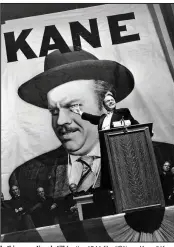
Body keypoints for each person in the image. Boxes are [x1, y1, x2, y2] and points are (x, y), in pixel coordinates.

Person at [9, 48, 136, 218]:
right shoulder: (27, 176)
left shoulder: (152, 157)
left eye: (73, 107)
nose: (60, 121)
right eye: (54, 111)